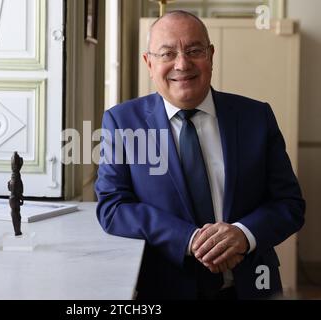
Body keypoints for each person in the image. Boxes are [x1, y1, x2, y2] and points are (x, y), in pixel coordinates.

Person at [95, 10, 305, 300]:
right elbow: (113, 206)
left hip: (252, 287)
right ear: (149, 62)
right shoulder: (122, 122)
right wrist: (190, 240)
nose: (182, 64)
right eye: (167, 53)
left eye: (194, 50)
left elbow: (289, 204)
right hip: (164, 289)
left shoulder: (256, 117)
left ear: (211, 55)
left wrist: (243, 234)